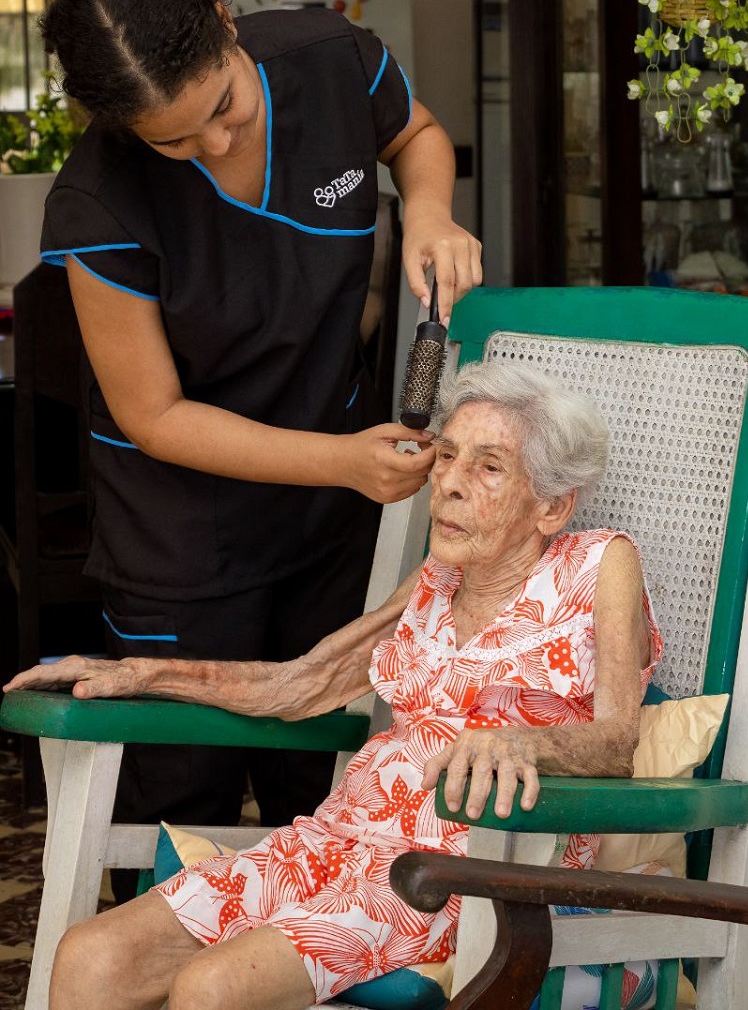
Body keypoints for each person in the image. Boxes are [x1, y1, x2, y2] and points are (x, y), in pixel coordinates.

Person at [7, 363, 663, 1010]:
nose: (450, 486)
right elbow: (304, 681)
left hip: (453, 871)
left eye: (488, 467)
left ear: (552, 504)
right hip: (334, 846)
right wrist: (141, 673)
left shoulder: (601, 563)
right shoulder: (439, 574)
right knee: (90, 957)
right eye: (448, 458)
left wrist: (521, 744)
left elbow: (617, 742)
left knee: (214, 988)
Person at [35, 0, 482, 861]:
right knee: (177, 799)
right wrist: (343, 463)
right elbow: (153, 416)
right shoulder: (97, 202)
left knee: (322, 791)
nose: (217, 140)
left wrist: (432, 212)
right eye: (176, 142)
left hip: (328, 527)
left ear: (223, 21)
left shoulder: (334, 58)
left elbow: (417, 133)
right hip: (184, 542)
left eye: (226, 108)